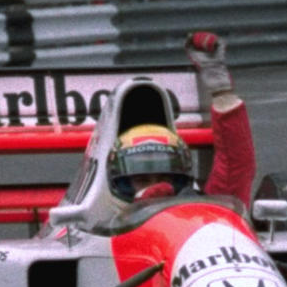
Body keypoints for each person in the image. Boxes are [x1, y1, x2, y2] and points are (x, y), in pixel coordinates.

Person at [106, 32, 256, 210]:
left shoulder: (202, 214)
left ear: (180, 180)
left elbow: (236, 168)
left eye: (164, 178)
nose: (157, 188)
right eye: (142, 180)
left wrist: (222, 93)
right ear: (122, 184)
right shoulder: (98, 224)